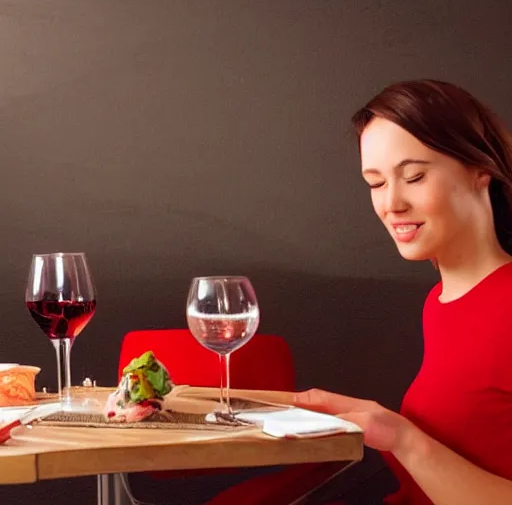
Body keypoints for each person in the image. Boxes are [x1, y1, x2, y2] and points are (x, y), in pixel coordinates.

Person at [207, 79, 512, 504]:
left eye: (415, 176)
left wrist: (403, 437)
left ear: (481, 170)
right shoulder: (442, 302)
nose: (392, 204)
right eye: (375, 183)